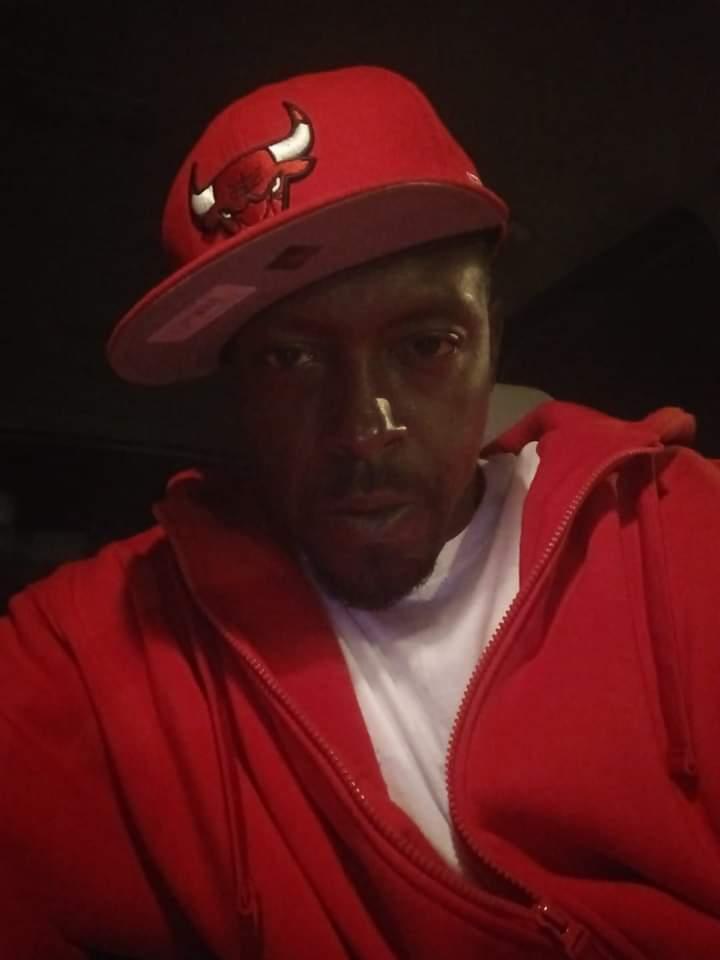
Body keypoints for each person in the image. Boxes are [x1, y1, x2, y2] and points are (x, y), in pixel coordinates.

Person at [1, 65, 719, 960]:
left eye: (426, 344)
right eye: (290, 360)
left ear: (492, 338)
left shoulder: (674, 529)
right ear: (236, 388)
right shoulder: (100, 643)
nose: (363, 428)